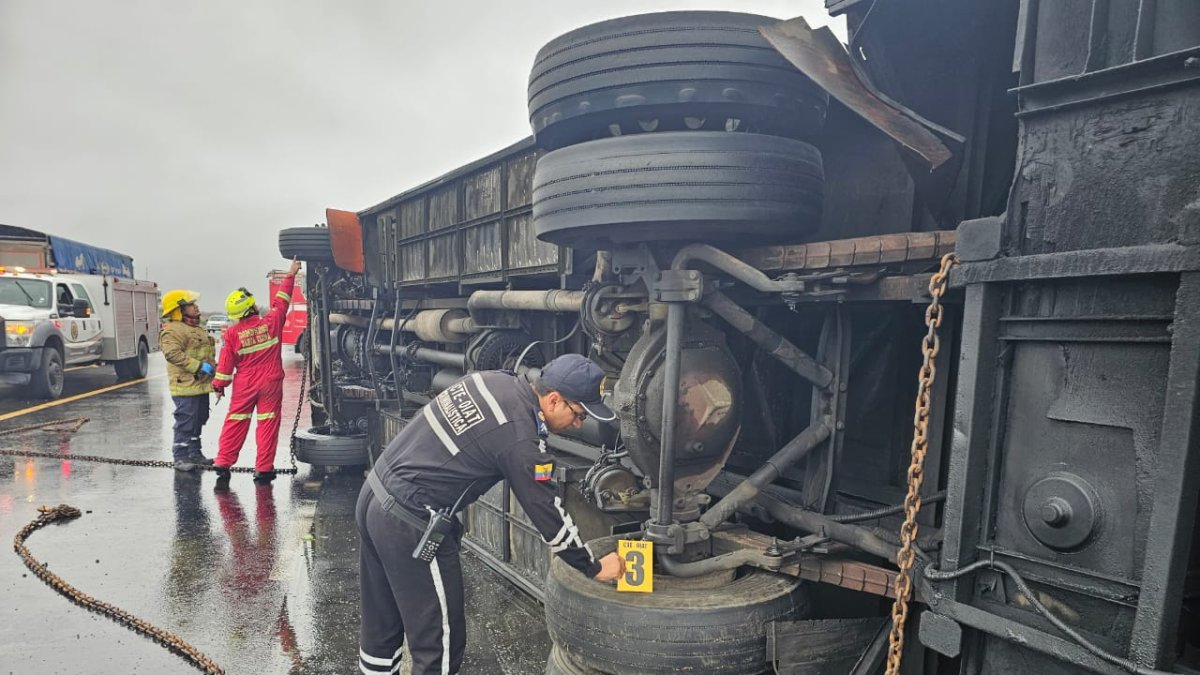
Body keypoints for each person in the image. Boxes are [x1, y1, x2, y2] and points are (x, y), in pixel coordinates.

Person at [357, 353, 624, 675]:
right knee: (439, 643)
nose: (579, 424)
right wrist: (592, 566)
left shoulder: (492, 380)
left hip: (374, 495)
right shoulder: (522, 438)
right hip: (409, 521)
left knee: (381, 627)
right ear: (554, 400)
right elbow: (547, 513)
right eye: (579, 414)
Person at [211, 258, 301, 483]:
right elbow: (283, 301)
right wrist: (291, 273)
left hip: (245, 384)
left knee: (236, 421)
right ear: (251, 307)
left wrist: (219, 387)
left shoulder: (231, 335)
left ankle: (223, 462)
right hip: (270, 382)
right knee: (267, 423)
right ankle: (263, 468)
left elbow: (224, 368)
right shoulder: (271, 322)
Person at [159, 289, 217, 471]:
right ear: (179, 310)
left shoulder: (196, 328)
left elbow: (207, 354)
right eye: (192, 304)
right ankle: (180, 457)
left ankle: (194, 453)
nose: (196, 307)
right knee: (186, 420)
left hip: (200, 385)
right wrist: (198, 367)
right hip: (185, 386)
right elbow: (172, 353)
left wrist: (215, 375)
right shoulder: (173, 331)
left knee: (199, 418)